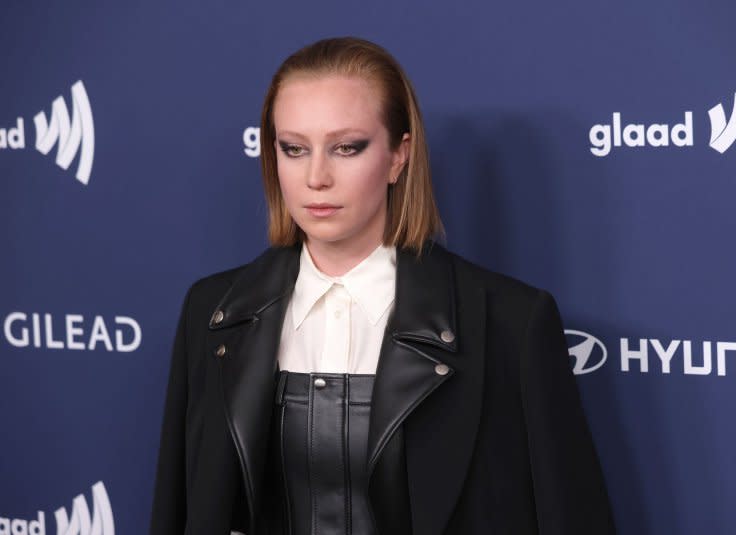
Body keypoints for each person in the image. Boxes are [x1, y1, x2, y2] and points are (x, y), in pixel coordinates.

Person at [149, 36, 615, 535]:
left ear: (398, 156)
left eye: (347, 148)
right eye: (294, 149)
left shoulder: (509, 323)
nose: (316, 177)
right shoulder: (213, 313)